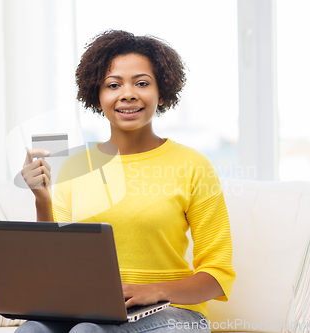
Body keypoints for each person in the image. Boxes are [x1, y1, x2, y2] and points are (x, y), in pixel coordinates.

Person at [17, 30, 235, 333]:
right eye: (113, 84)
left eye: (142, 83)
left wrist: (154, 291)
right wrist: (42, 199)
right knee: (33, 330)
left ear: (162, 91)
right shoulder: (75, 167)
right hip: (92, 310)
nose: (128, 93)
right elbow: (55, 264)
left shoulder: (193, 165)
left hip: (174, 314)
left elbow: (217, 275)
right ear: (98, 95)